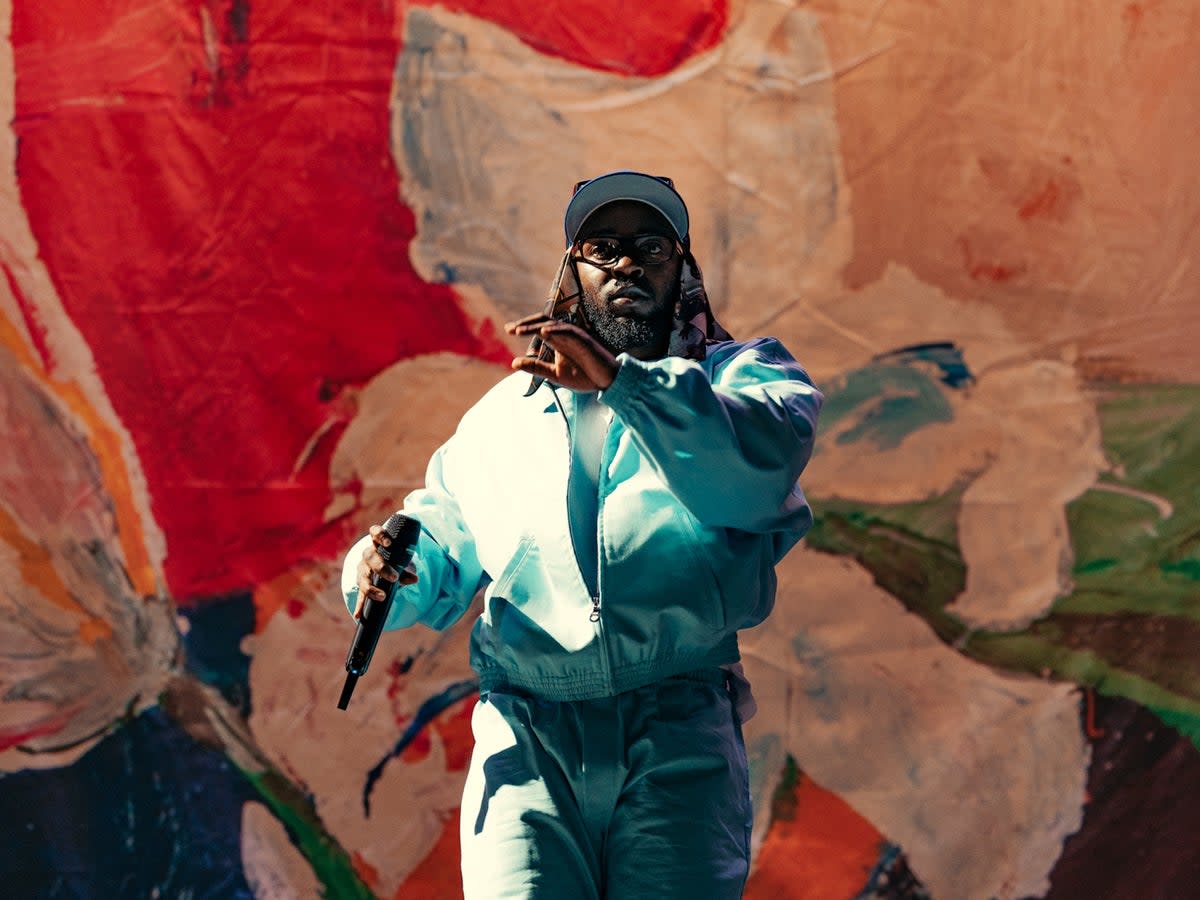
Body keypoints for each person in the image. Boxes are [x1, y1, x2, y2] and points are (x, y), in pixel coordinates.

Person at [342, 170, 823, 899]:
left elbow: (748, 474)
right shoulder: (505, 414)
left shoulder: (743, 379)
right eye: (604, 245)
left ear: (680, 266)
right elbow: (439, 535)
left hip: (676, 726)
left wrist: (624, 385)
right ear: (573, 269)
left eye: (650, 245)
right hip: (529, 733)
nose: (628, 261)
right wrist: (385, 570)